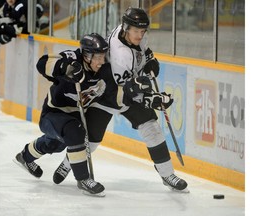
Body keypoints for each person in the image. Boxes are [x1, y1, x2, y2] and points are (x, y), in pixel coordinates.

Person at [53, 7, 188, 192]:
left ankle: (167, 174)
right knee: (90, 141)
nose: (140, 35)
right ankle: (67, 164)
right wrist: (152, 99)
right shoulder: (120, 54)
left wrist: (149, 59)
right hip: (108, 94)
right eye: (136, 31)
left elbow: (143, 51)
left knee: (152, 128)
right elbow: (128, 92)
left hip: (126, 88)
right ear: (125, 28)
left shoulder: (131, 33)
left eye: (143, 31)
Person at [14, 33, 113, 197]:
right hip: (52, 114)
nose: (101, 61)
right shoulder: (72, 58)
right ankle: (83, 179)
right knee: (74, 132)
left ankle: (24, 156)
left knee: (54, 144)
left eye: (103, 57)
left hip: (73, 117)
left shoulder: (104, 70)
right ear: (87, 55)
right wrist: (66, 69)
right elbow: (42, 63)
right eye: (98, 57)